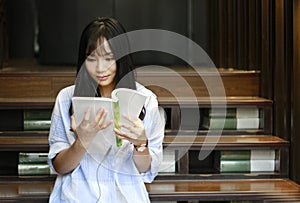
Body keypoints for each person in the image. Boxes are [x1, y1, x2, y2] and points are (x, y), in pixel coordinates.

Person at [48, 17, 165, 202]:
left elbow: (146, 170)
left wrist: (141, 144)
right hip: (78, 196)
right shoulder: (66, 99)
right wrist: (82, 142)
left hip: (126, 196)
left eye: (109, 58)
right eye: (92, 58)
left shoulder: (146, 101)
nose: (100, 68)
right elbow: (60, 167)